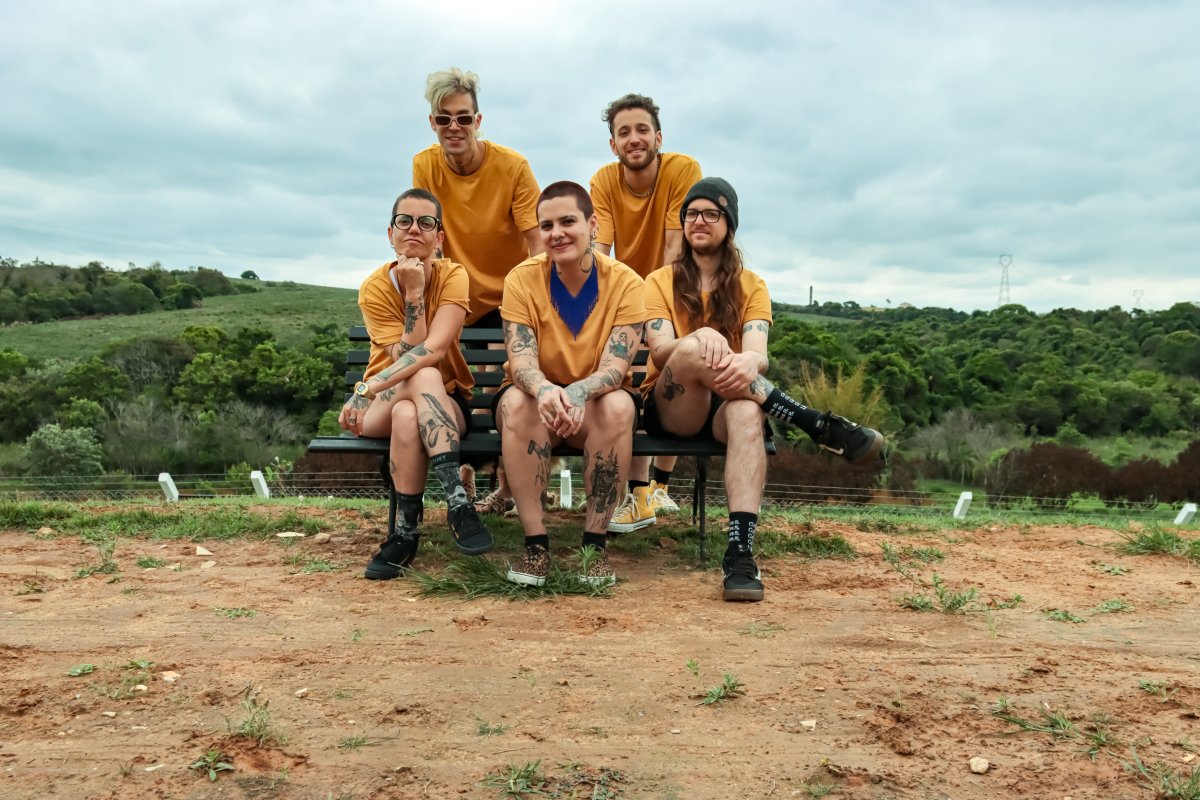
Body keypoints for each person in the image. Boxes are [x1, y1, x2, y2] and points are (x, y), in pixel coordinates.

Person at [643, 178, 884, 602]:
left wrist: (744, 361)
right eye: (691, 214)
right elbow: (661, 351)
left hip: (727, 402)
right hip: (672, 403)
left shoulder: (751, 285)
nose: (699, 221)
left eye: (711, 213)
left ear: (729, 225)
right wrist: (699, 339)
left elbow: (757, 356)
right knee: (693, 347)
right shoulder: (659, 281)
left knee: (747, 413)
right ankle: (814, 423)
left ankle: (740, 553)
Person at [496, 181, 645, 588]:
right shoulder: (522, 279)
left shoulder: (627, 282)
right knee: (517, 403)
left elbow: (617, 367)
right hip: (537, 400)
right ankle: (536, 545)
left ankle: (594, 548)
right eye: (547, 225)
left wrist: (577, 392)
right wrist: (546, 391)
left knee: (618, 405)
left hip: (595, 402)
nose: (556, 233)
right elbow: (520, 357)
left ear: (592, 224)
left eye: (568, 221)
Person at [341, 188, 494, 580]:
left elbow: (435, 350)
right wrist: (412, 295)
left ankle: (405, 534)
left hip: (442, 401)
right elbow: (406, 355)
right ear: (390, 233)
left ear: (439, 237)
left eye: (426, 222)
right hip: (382, 406)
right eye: (404, 221)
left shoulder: (454, 275)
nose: (415, 229)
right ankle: (458, 504)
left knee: (414, 404)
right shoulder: (375, 287)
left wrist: (366, 388)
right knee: (418, 379)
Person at [412, 67, 543, 513]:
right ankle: (464, 485)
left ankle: (507, 491)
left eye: (463, 118)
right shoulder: (425, 164)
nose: (454, 127)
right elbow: (429, 231)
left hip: (507, 295)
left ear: (478, 120)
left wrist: (530, 303)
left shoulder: (513, 166)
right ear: (432, 121)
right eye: (444, 118)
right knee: (456, 387)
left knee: (501, 390)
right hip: (453, 293)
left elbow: (535, 240)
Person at [590, 93, 703, 535]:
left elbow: (676, 247)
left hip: (677, 286)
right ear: (613, 145)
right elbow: (601, 249)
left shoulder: (682, 170)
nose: (633, 139)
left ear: (658, 136)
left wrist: (654, 302)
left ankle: (658, 485)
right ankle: (637, 491)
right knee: (632, 376)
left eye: (641, 129)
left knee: (667, 374)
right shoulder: (603, 180)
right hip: (626, 290)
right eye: (623, 133)